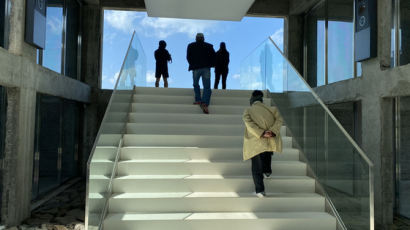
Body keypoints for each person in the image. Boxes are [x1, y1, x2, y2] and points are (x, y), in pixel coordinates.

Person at [242, 90, 283, 198]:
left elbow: (249, 124)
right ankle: (268, 171)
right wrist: (272, 131)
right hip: (270, 139)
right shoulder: (272, 109)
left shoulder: (248, 110)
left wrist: (261, 133)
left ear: (252, 99)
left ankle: (260, 190)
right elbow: (279, 120)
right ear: (261, 99)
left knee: (256, 167)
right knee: (268, 155)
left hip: (256, 141)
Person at [187, 33, 216, 114]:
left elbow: (188, 57)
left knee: (196, 84)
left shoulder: (191, 45)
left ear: (196, 38)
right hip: (206, 68)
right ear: (203, 38)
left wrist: (192, 64)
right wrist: (212, 65)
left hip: (196, 68)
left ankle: (198, 100)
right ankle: (205, 103)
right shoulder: (209, 46)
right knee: (207, 86)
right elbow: (214, 56)